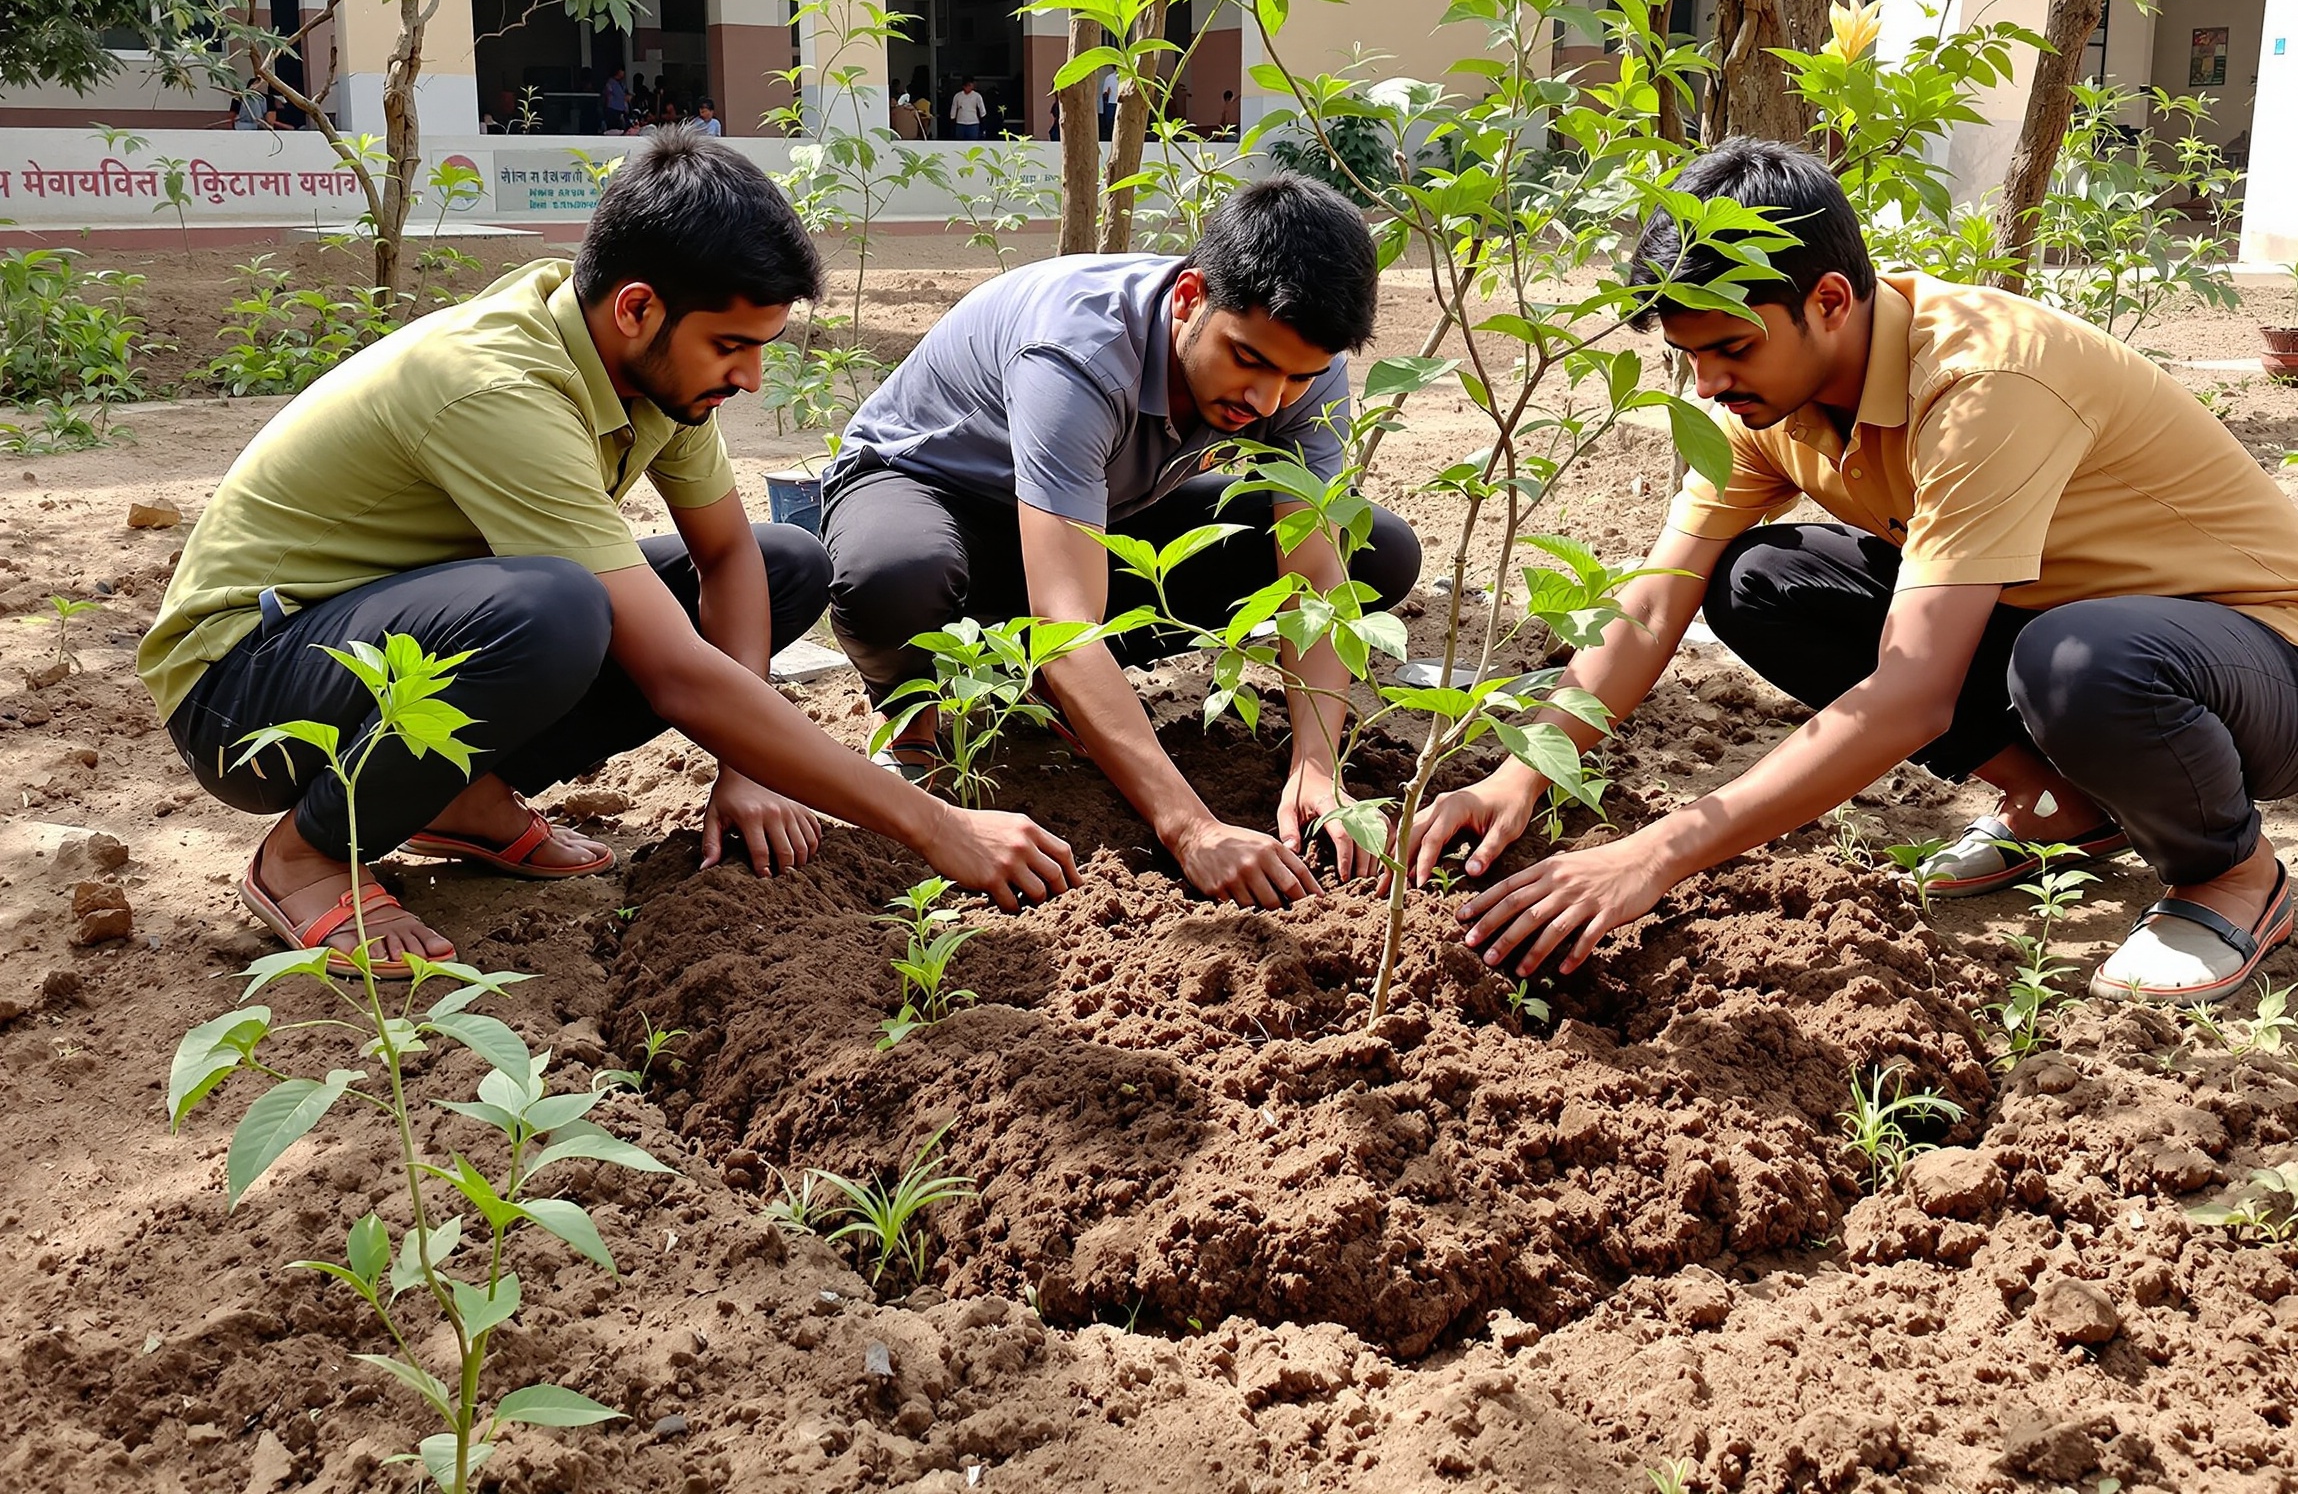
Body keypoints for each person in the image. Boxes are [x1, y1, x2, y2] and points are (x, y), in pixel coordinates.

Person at [1417, 138, 2298, 1005]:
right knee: (1761, 579)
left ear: (1830, 300)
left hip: (2272, 670)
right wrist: (1519, 774)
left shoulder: (1983, 383)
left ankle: (2229, 872)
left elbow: (1914, 692)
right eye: (1690, 357)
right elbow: (1660, 597)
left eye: (1730, 350)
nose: (1706, 385)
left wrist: (1659, 853)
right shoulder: (1774, 408)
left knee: (2077, 659)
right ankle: (2068, 807)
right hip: (2068, 634)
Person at [140, 129, 1076, 978]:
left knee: (787, 557)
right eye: (732, 346)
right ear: (638, 308)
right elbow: (676, 674)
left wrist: (745, 773)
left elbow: (730, 562)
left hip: (388, 646)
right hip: (246, 688)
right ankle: (303, 856)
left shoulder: (652, 377)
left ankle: (456, 797)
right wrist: (936, 826)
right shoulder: (498, 386)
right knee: (559, 610)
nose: (748, 376)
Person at [822, 174, 1423, 910]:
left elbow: (1316, 578)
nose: (1267, 401)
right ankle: (914, 722)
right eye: (1249, 361)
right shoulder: (1078, 350)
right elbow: (1065, 618)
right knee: (896, 576)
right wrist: (1190, 828)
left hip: (1088, 514)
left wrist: (1318, 763)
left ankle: (1065, 690)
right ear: (1190, 297)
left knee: (1374, 550)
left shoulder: (1302, 365)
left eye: (1296, 378)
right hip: (931, 495)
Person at [602, 66, 631, 134]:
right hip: (613, 110)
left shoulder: (621, 83)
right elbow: (609, 95)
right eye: (622, 71)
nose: (623, 73)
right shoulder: (611, 83)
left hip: (621, 110)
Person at [1098, 68, 1120, 140]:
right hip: (1111, 103)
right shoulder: (1109, 78)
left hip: (1121, 103)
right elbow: (1105, 92)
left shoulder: (1127, 78)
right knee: (1110, 124)